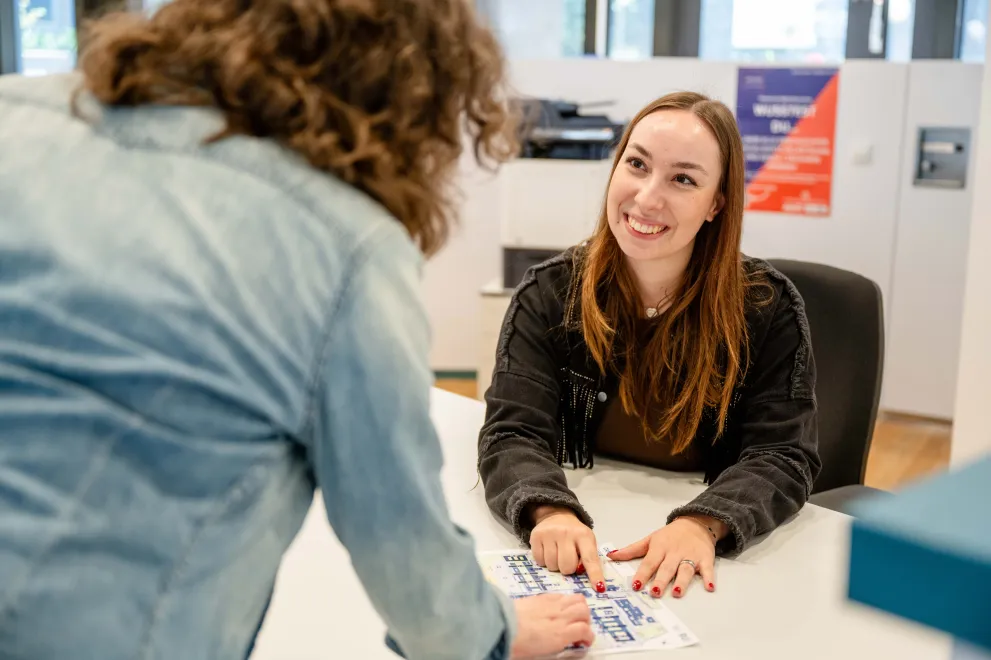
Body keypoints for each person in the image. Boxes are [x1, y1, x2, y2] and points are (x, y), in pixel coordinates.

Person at [0, 1, 593, 659]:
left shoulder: (15, 113)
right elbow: (404, 551)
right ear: (406, 90)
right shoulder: (343, 249)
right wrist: (496, 633)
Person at [478, 91, 821, 600]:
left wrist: (703, 523)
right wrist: (550, 510)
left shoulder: (766, 309)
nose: (646, 197)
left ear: (716, 204)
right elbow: (512, 431)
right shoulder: (551, 294)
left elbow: (782, 455)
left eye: (683, 179)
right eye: (636, 164)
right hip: (594, 531)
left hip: (704, 560)